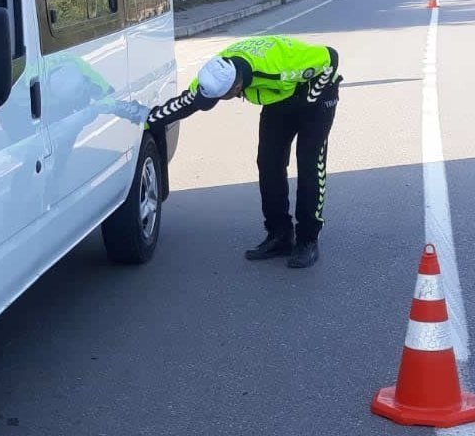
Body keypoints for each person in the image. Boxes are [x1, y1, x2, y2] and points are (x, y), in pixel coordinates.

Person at [144, 35, 341, 268]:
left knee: (309, 164)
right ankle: (280, 235)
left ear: (236, 87)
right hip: (280, 98)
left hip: (316, 99)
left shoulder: (278, 66)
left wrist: (310, 98)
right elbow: (187, 103)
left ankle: (308, 239)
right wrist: (146, 122)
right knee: (268, 163)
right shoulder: (216, 71)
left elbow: (331, 57)